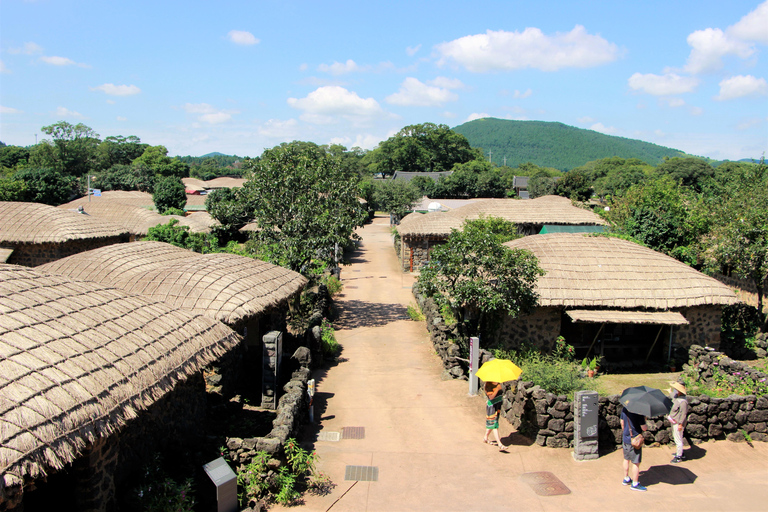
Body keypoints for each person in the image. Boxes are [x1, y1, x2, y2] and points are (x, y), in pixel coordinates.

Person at [620, 406, 648, 491]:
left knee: (626, 458)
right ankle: (635, 483)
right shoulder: (639, 411)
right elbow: (644, 428)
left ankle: (626, 478)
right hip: (635, 440)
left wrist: (626, 433)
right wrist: (645, 420)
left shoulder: (624, 408)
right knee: (636, 462)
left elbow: (622, 422)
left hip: (626, 438)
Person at [483, 381, 509, 452]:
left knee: (493, 423)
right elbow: (491, 397)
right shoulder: (488, 385)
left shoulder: (498, 384)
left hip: (497, 406)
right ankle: (500, 444)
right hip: (492, 407)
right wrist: (497, 389)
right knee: (494, 425)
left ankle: (485, 437)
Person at [668, 381, 689, 463]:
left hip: (678, 423)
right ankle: (679, 453)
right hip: (675, 421)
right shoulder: (678, 397)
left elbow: (683, 414)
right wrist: (670, 392)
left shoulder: (683, 401)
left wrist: (680, 424)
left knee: (678, 440)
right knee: (677, 438)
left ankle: (679, 456)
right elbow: (673, 397)